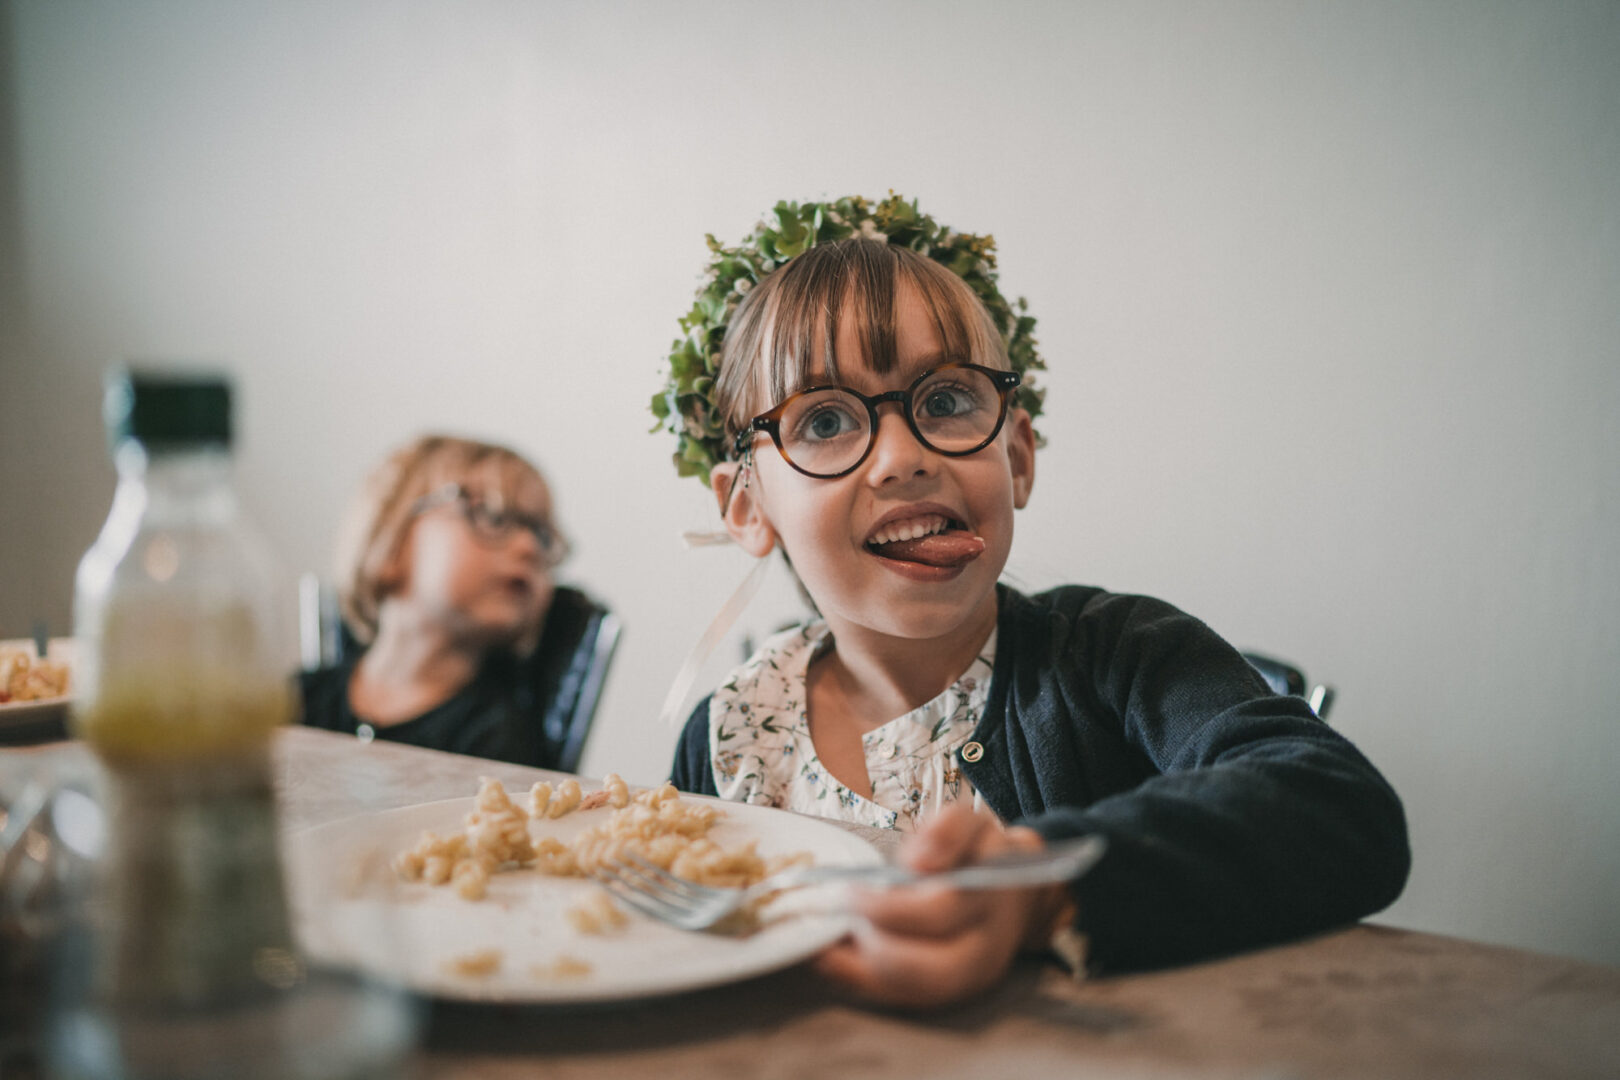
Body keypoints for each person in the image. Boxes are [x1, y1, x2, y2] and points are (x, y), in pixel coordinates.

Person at [656, 195, 1410, 1008]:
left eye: (946, 402)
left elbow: (1341, 810)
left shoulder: (1119, 654)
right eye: (827, 419)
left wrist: (1041, 891)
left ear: (1017, 455)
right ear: (748, 506)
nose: (903, 458)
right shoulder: (729, 737)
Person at [299, 434, 605, 769]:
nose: (529, 547)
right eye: (493, 516)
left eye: (543, 536)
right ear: (390, 544)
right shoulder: (294, 701)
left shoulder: (501, 745)